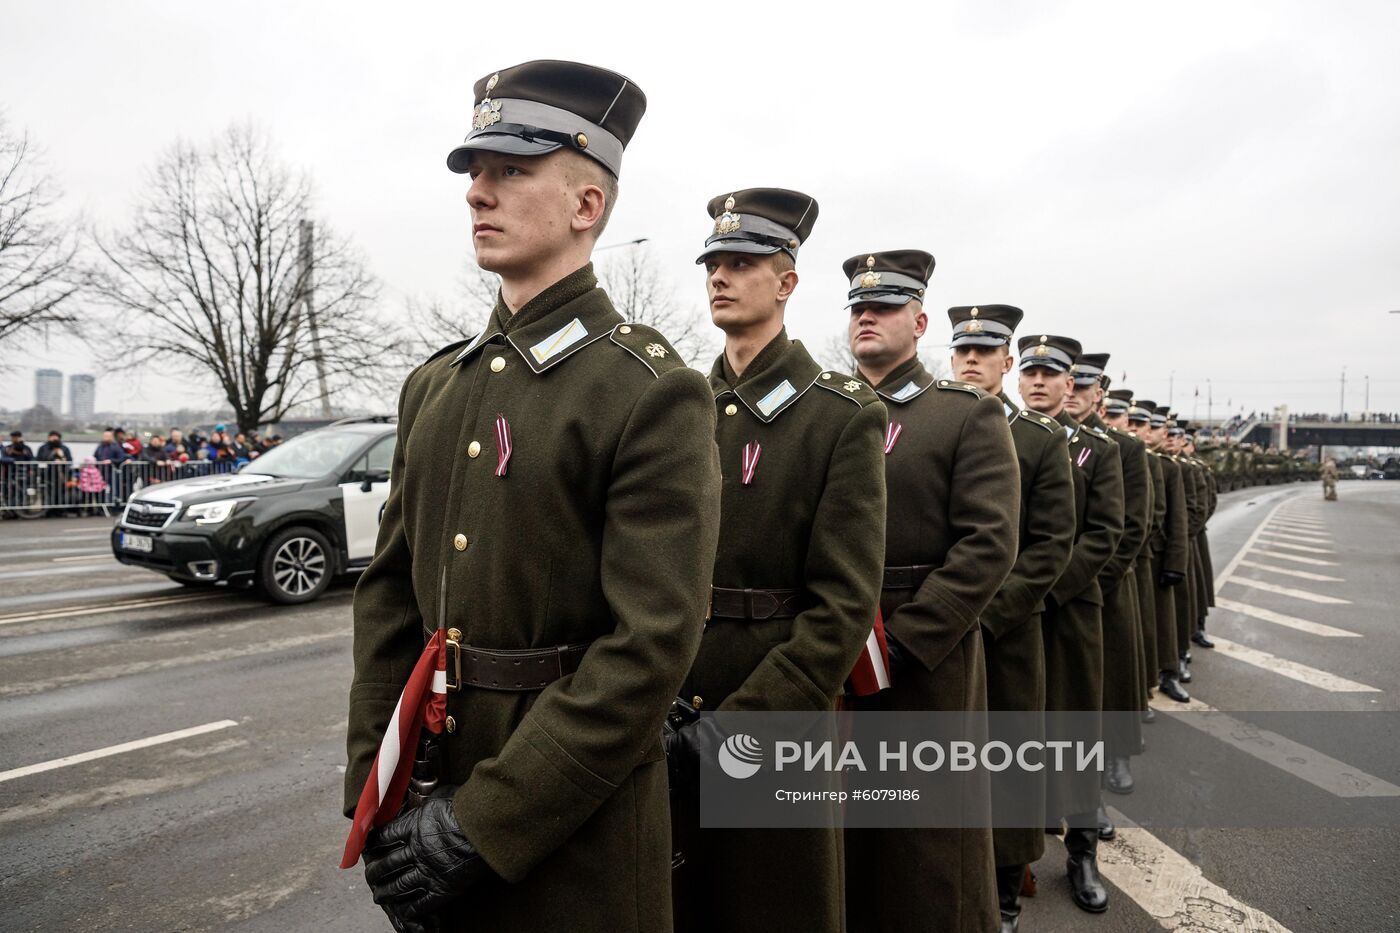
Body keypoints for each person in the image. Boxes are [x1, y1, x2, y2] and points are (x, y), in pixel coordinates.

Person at [345, 60, 723, 933]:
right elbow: (391, 605)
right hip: (431, 786)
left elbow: (650, 645)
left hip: (574, 816)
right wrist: (380, 793)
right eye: (475, 173)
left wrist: (482, 826)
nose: (478, 192)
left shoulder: (647, 389)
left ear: (586, 205)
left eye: (510, 170)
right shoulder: (436, 386)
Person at [667, 188, 886, 933]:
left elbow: (844, 606)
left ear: (787, 280)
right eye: (713, 264)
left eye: (742, 262)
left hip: (775, 709)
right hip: (670, 697)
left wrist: (742, 727)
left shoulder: (840, 414)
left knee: (770, 901)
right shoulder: (681, 403)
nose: (720, 277)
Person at [840, 260, 1019, 933]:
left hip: (923, 667)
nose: (866, 316)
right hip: (832, 649)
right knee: (839, 839)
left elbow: (988, 546)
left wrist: (901, 644)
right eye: (857, 306)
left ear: (918, 323)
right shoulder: (828, 407)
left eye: (884, 307)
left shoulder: (964, 415)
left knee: (924, 848)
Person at [949, 305, 1075, 933]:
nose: (971, 361)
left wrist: (980, 614)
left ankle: (1001, 889)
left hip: (1001, 630)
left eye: (985, 351)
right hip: (936, 627)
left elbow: (1051, 545)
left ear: (1007, 361)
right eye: (961, 351)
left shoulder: (1040, 439)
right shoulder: (929, 420)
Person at [1017, 335, 1123, 915]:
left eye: (1051, 374)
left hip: (1068, 611)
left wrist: (1045, 589)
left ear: (1070, 384)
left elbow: (1105, 534)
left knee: (1074, 734)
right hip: (1013, 610)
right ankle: (1016, 853)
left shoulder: (1096, 449)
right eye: (1029, 371)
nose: (1038, 381)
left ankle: (1082, 850)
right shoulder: (1000, 434)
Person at [1068, 356, 1150, 829]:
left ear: (1098, 391)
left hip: (1102, 586)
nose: (1074, 391)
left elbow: (1129, 528)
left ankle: (1110, 762)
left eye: (1083, 385)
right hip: (1048, 591)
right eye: (1070, 382)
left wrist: (1088, 582)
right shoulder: (1033, 433)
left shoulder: (1121, 448)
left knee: (1107, 687)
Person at [1142, 405, 1190, 703]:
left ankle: (1170, 670)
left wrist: (1175, 561)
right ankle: (1144, 682)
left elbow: (1176, 517)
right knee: (1144, 627)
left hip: (1157, 553)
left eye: (1143, 423)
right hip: (1140, 555)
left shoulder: (1169, 466)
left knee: (1164, 618)